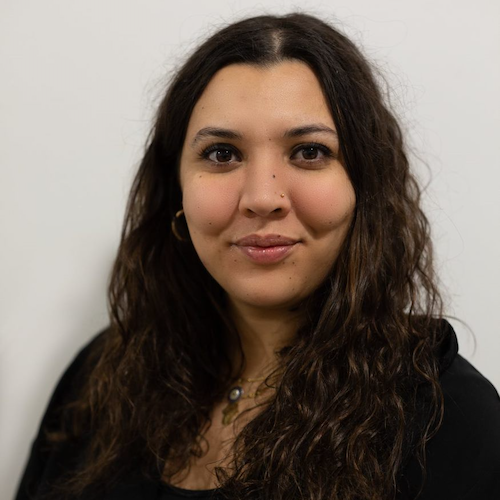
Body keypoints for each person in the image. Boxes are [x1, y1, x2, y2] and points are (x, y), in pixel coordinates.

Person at [15, 12, 500, 500]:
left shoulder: (450, 421)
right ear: (176, 190)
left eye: (309, 152)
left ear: (364, 187)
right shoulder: (101, 378)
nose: (263, 198)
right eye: (222, 154)